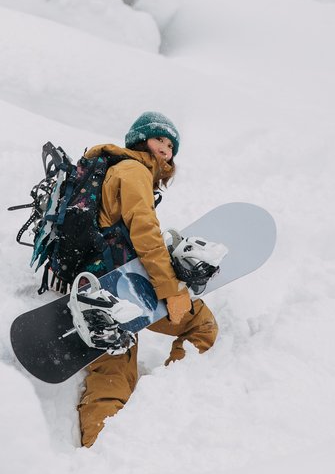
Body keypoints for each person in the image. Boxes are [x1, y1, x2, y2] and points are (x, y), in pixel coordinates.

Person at [77, 111, 219, 447]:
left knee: (112, 371)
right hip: (121, 288)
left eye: (172, 145)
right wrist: (172, 290)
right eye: (160, 140)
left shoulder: (113, 170)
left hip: (95, 288)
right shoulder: (133, 170)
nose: (167, 150)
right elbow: (145, 233)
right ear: (140, 139)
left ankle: (96, 452)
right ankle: (171, 394)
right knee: (200, 323)